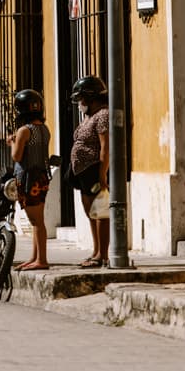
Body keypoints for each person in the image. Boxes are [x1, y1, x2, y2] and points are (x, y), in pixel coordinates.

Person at [67, 75, 109, 268]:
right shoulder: (89, 117)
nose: (80, 103)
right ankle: (95, 251)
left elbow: (105, 147)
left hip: (93, 169)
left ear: (91, 98)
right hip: (83, 172)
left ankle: (102, 255)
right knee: (90, 212)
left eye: (82, 99)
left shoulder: (103, 115)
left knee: (99, 212)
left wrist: (102, 173)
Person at [8, 88, 51, 271]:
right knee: (36, 221)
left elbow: (17, 157)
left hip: (27, 178)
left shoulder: (24, 131)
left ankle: (41, 260)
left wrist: (12, 142)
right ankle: (35, 257)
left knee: (37, 221)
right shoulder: (43, 129)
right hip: (41, 176)